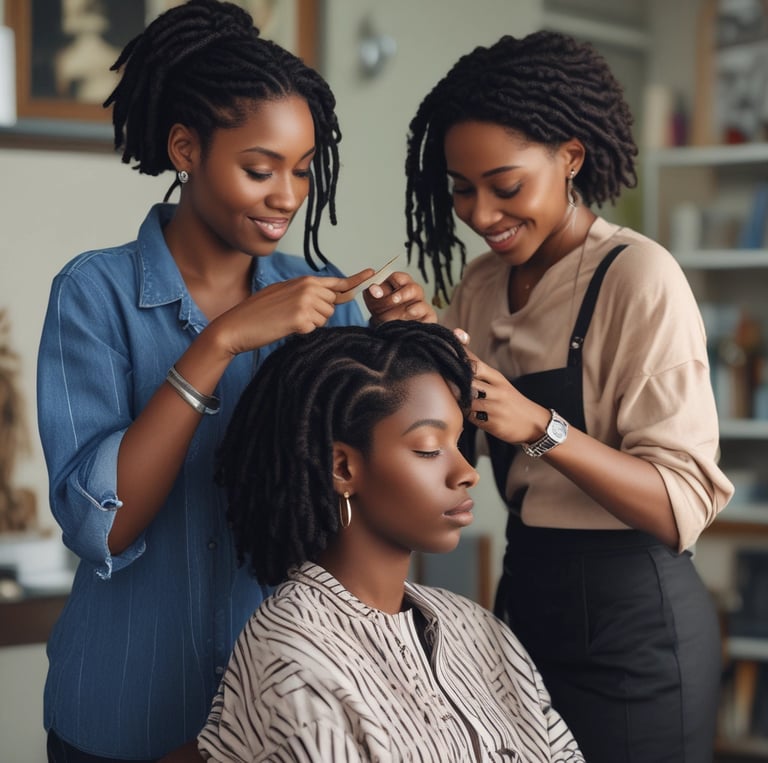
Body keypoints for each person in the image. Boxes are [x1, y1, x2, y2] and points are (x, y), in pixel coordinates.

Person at [37, 2, 433, 760]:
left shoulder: (331, 301)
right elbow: (103, 527)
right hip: (121, 717)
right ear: (186, 148)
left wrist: (404, 351)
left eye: (302, 170)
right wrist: (221, 341)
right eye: (260, 168)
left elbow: (372, 496)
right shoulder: (93, 293)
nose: (287, 195)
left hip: (284, 714)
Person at [403, 30, 735, 763]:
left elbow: (681, 505)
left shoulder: (638, 278)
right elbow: (454, 444)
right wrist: (419, 342)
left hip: (634, 626)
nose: (482, 214)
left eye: (506, 186)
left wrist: (538, 426)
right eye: (461, 189)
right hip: (526, 602)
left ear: (570, 157)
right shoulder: (484, 285)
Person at [196, 321, 584, 762]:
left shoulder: (480, 630)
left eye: (458, 442)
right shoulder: (294, 656)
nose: (466, 472)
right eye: (428, 448)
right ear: (342, 468)